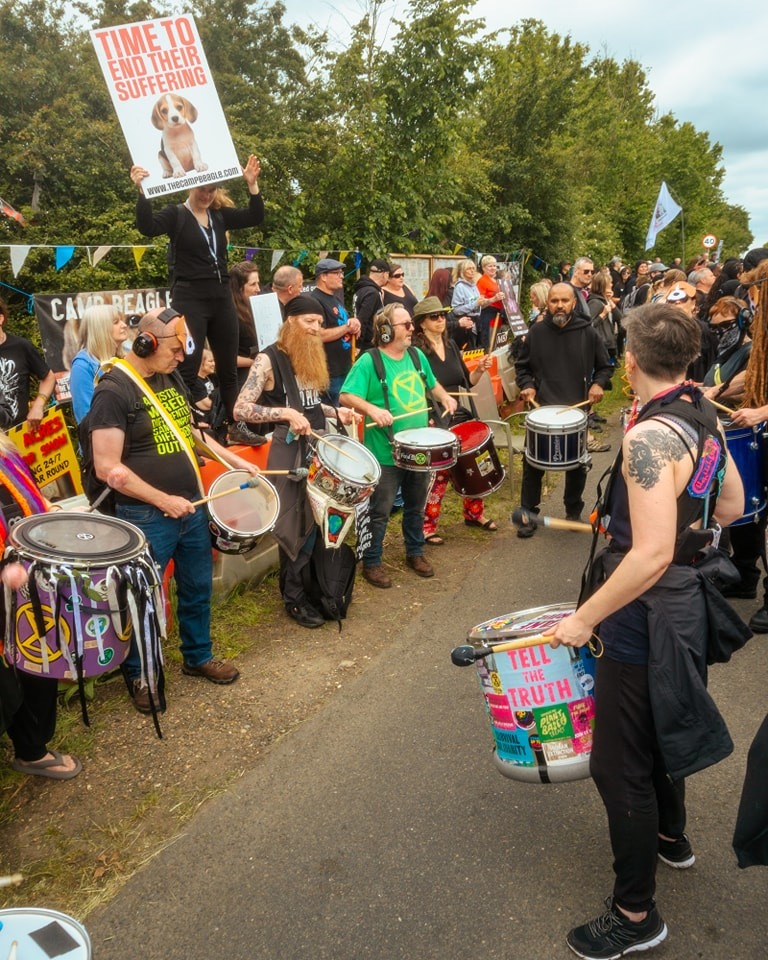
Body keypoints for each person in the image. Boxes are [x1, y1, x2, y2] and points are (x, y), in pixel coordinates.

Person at [550, 302, 744, 960]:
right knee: (662, 725)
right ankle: (671, 837)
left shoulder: (647, 438)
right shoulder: (703, 416)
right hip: (686, 602)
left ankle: (635, 913)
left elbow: (651, 554)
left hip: (646, 612)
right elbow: (732, 505)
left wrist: (584, 618)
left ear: (630, 358)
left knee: (617, 763)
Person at [89, 307, 258, 713]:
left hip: (191, 508)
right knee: (144, 598)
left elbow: (192, 432)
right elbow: (107, 467)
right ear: (145, 343)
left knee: (198, 589)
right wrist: (163, 500)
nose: (182, 357)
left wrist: (232, 460)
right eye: (176, 349)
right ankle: (141, 674)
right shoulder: (114, 391)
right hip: (146, 516)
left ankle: (197, 657)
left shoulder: (170, 377)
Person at [233, 295, 357, 627]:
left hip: (319, 449)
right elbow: (241, 409)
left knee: (319, 522)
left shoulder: (310, 355)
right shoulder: (267, 359)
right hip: (289, 453)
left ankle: (316, 587)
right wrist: (284, 414)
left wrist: (336, 411)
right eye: (309, 322)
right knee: (293, 527)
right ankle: (294, 599)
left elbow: (310, 404)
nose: (316, 329)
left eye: (319, 323)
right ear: (291, 321)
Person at [129, 155, 264, 428]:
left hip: (220, 297)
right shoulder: (176, 214)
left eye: (212, 189)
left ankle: (236, 426)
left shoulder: (219, 216)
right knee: (186, 366)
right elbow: (147, 227)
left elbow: (255, 216)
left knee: (228, 368)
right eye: (202, 188)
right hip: (190, 297)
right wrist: (142, 192)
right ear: (191, 186)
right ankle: (185, 427)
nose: (207, 194)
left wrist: (252, 185)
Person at [340, 304, 457, 588]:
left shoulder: (417, 356)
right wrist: (372, 409)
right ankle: (372, 561)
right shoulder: (370, 361)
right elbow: (346, 396)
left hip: (419, 449)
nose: (412, 329)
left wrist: (444, 398)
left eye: (410, 324)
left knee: (416, 505)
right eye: (405, 325)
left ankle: (415, 553)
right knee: (380, 510)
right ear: (385, 331)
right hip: (385, 452)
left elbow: (433, 384)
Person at [0, 431, 81, 780]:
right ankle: (30, 749)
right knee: (7, 680)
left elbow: (26, 505)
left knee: (40, 659)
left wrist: (49, 513)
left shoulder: (6, 451)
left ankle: (33, 748)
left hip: (30, 581)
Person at [514, 283, 613, 535]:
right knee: (532, 464)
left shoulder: (587, 332)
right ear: (547, 303)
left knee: (577, 464)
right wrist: (527, 386)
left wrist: (598, 384)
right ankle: (528, 514)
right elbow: (522, 367)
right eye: (554, 300)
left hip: (576, 412)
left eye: (564, 301)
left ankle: (572, 511)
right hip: (542, 410)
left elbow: (605, 366)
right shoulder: (536, 333)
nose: (559, 305)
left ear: (573, 303)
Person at [411, 296, 496, 543]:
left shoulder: (450, 345)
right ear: (421, 324)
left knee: (473, 460)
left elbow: (467, 382)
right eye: (433, 317)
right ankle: (427, 525)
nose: (440, 320)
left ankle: (474, 513)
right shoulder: (415, 353)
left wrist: (480, 368)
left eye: (442, 315)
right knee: (440, 472)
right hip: (431, 415)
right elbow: (416, 388)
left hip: (457, 411)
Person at [0, 296, 57, 432]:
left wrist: (38, 405)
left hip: (20, 432)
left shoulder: (21, 346)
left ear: (1, 319)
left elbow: (49, 377)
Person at [309, 258, 361, 407]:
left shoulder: (335, 299)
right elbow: (319, 334)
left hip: (345, 368)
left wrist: (353, 322)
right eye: (337, 273)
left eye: (342, 272)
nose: (342, 276)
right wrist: (347, 328)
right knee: (334, 418)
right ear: (323, 277)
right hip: (330, 372)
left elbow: (340, 324)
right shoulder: (315, 301)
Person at [226, 261, 268, 446]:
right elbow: (225, 359)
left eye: (258, 283)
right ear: (238, 288)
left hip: (263, 381)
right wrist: (259, 363)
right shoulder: (229, 316)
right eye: (253, 284)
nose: (258, 289)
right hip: (241, 384)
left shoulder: (256, 309)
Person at [69, 305, 129, 423]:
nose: (124, 325)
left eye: (122, 320)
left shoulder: (125, 357)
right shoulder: (82, 367)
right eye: (116, 322)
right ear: (101, 328)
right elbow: (87, 418)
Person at [352, 259, 390, 353]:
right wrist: (358, 345)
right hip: (368, 345)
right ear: (384, 274)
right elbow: (362, 319)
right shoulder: (372, 293)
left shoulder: (361, 289)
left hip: (362, 341)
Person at [476, 255, 504, 351]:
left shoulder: (496, 281)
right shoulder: (482, 281)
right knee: (489, 347)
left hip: (498, 316)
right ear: (483, 268)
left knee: (496, 346)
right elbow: (481, 303)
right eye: (490, 266)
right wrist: (494, 299)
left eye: (494, 266)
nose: (493, 268)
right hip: (488, 317)